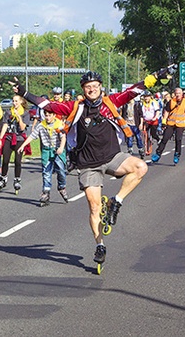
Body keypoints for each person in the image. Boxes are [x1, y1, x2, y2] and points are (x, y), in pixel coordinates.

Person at [14, 69, 161, 269]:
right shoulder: (76, 107)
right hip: (88, 164)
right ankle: (99, 244)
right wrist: (24, 93)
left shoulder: (111, 102)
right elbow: (48, 105)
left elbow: (134, 91)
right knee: (94, 207)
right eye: (88, 87)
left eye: (95, 86)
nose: (92, 89)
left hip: (112, 157)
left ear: (101, 87)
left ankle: (115, 202)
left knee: (140, 167)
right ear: (83, 90)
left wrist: (155, 77)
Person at [17, 108, 68, 206]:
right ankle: (46, 192)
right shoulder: (41, 125)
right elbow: (32, 136)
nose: (48, 118)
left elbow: (63, 137)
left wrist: (61, 148)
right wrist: (23, 145)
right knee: (46, 172)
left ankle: (62, 187)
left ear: (54, 115)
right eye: (46, 115)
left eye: (50, 115)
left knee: (61, 170)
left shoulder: (59, 125)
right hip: (46, 150)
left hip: (57, 150)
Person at [0, 91, 31, 194]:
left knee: (17, 161)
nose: (14, 103)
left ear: (21, 102)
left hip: (19, 139)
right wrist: (0, 139)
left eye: (16, 101)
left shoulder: (26, 113)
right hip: (9, 138)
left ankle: (17, 180)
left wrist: (19, 117)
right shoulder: (8, 112)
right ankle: (3, 178)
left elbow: (23, 128)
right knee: (5, 160)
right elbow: (4, 125)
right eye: (13, 101)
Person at [151, 87, 185, 164]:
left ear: (182, 94)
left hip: (180, 124)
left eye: (179, 93)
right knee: (165, 138)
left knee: (178, 139)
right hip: (170, 123)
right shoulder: (171, 102)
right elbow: (166, 112)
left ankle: (177, 154)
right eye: (176, 93)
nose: (177, 95)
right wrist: (164, 122)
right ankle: (158, 153)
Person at [140, 90, 161, 155]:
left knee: (153, 133)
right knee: (145, 135)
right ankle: (145, 149)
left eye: (147, 96)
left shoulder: (153, 103)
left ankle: (158, 139)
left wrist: (155, 117)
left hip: (153, 121)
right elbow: (141, 114)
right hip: (146, 121)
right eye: (145, 97)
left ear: (150, 97)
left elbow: (157, 111)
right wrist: (141, 122)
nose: (146, 98)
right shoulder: (142, 104)